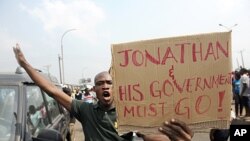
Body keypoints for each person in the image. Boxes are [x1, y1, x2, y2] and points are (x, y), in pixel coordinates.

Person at [13, 44, 193, 141]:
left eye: (109, 83)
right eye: (100, 84)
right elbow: (51, 90)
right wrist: (25, 64)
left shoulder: (130, 113)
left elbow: (151, 136)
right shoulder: (85, 110)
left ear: (115, 87)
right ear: (94, 90)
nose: (105, 86)